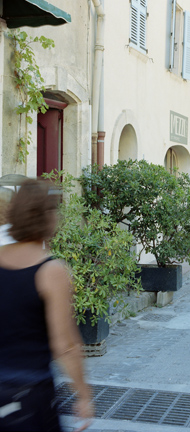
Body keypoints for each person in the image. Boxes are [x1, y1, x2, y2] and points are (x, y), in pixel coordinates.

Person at [0, 180, 93, 431]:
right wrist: (83, 395)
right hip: (29, 396)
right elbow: (65, 345)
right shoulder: (51, 271)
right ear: (48, 216)